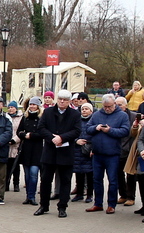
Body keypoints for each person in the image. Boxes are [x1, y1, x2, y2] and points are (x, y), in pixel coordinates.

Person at [34, 90, 82, 218]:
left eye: (65, 100)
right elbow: (41, 128)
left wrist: (62, 138)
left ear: (69, 101)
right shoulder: (48, 112)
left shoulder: (75, 114)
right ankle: (43, 205)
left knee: (65, 181)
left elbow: (77, 131)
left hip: (66, 152)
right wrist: (52, 138)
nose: (62, 101)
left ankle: (62, 207)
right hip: (50, 151)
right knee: (45, 180)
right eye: (60, 99)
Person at [84, 94, 130, 213]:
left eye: (109, 106)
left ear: (114, 104)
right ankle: (98, 203)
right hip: (97, 153)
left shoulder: (122, 115)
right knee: (97, 180)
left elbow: (125, 131)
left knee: (113, 180)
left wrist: (110, 130)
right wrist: (96, 128)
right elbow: (88, 129)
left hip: (112, 154)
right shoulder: (97, 115)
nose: (107, 109)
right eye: (105, 106)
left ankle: (111, 204)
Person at [16, 98, 45, 206]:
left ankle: (32, 196)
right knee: (27, 175)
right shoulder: (25, 117)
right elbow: (19, 131)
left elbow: (43, 133)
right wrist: (24, 135)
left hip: (37, 149)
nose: (32, 106)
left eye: (34, 104)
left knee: (33, 174)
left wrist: (31, 135)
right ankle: (28, 196)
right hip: (26, 149)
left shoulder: (42, 118)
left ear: (38, 106)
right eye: (31, 104)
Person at [71, 102, 96, 203]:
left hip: (89, 150)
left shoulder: (94, 121)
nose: (84, 111)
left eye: (86, 109)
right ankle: (79, 194)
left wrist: (93, 148)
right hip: (77, 149)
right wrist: (76, 140)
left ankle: (89, 194)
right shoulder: (77, 121)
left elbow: (96, 135)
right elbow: (72, 133)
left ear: (91, 111)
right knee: (78, 172)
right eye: (83, 109)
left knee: (90, 174)